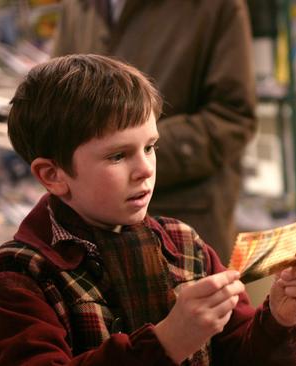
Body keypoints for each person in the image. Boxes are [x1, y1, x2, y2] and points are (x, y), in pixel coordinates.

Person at [0, 54, 296, 365]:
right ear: (52, 175)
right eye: (118, 155)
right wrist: (168, 341)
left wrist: (281, 318)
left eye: (150, 147)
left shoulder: (184, 244)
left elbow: (241, 354)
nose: (145, 168)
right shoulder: (19, 275)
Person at [52, 0, 257, 263]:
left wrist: (130, 151)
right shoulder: (77, 6)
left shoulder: (215, 6)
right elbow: (57, 98)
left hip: (181, 221)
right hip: (87, 227)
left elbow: (232, 117)